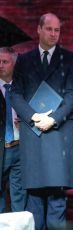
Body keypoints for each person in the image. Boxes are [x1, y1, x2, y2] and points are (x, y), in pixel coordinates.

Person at [11, 13, 73, 230]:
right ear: (39, 30)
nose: (53, 34)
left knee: (56, 201)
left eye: (57, 30)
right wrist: (34, 117)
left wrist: (52, 119)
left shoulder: (70, 59)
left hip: (58, 134)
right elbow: (15, 94)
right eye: (49, 29)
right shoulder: (23, 60)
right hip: (33, 133)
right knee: (34, 202)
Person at [0, 47, 25, 212]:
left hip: (20, 147)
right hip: (1, 147)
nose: (0, 65)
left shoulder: (24, 88)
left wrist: (26, 120)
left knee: (19, 195)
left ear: (14, 64)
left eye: (5, 62)